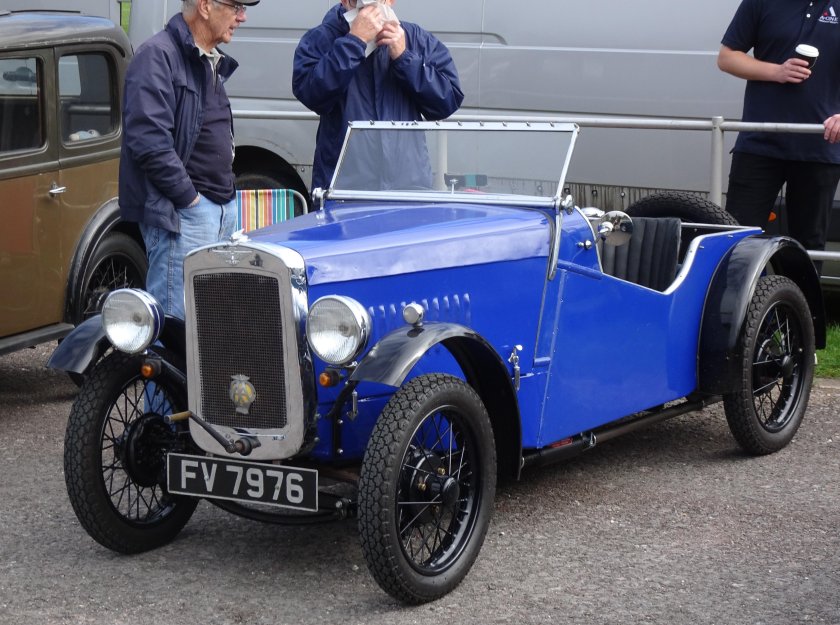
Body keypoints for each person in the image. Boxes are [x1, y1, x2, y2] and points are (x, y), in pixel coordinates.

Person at [119, 0, 259, 319]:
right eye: (235, 6)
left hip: (218, 207)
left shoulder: (206, 57)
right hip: (185, 212)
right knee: (175, 325)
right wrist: (190, 201)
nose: (242, 16)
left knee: (210, 324)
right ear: (206, 6)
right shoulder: (157, 55)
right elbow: (148, 141)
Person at [292, 0, 464, 192]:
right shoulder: (321, 38)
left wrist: (404, 57)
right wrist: (353, 41)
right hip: (344, 188)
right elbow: (311, 94)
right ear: (345, 1)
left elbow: (448, 100)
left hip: (408, 188)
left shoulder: (415, 38)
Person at [718, 0, 840, 263]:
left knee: (807, 249)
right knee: (738, 240)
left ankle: (797, 305)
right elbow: (727, 57)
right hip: (758, 143)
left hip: (820, 147)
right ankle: (734, 305)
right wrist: (777, 71)